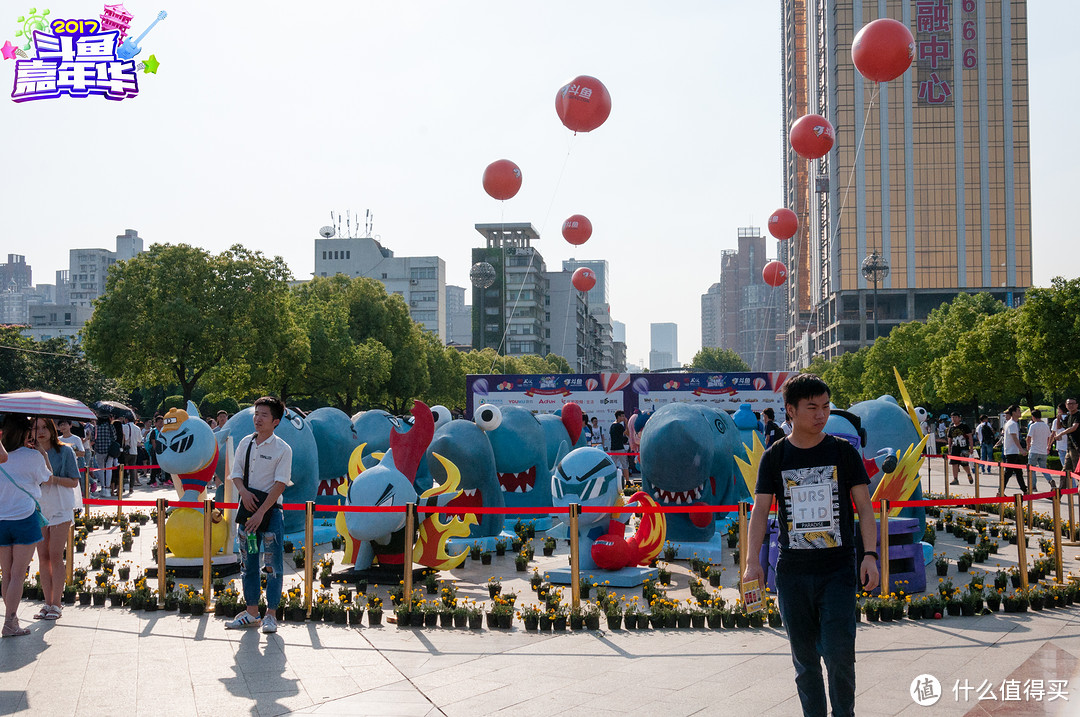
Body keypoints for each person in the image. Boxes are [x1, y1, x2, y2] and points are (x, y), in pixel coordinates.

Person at [743, 374, 879, 717]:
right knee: (804, 662)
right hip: (793, 574)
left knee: (839, 655)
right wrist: (752, 562)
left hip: (837, 571)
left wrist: (870, 556)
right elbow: (759, 511)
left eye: (826, 406)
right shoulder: (775, 457)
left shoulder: (843, 452)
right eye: (812, 407)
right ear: (790, 410)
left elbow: (864, 507)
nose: (822, 414)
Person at [225, 396, 293, 634]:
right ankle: (251, 612)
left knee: (273, 565)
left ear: (275, 421)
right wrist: (243, 492)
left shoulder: (283, 449)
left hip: (270, 514)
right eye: (256, 413)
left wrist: (261, 512)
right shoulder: (246, 443)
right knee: (249, 563)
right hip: (248, 513)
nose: (257, 418)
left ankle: (271, 615)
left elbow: (280, 484)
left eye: (264, 415)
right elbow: (236, 474)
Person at [0, 414, 51, 637]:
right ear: (26, 432)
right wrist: (42, 451)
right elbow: (47, 477)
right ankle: (10, 622)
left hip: (2, 519)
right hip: (25, 517)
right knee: (18, 574)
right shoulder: (32, 457)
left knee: (7, 575)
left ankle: (10, 618)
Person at [32, 417, 80, 621]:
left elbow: (74, 481)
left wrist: (54, 480)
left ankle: (57, 603)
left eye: (44, 427)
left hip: (61, 506)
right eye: (35, 428)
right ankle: (47, 602)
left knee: (54, 553)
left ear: (52, 429)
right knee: (42, 556)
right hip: (39, 507)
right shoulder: (29, 453)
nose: (40, 432)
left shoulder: (65, 451)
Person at [1051, 398, 1080, 490]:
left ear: (1077, 405)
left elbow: (1073, 428)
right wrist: (1058, 418)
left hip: (1077, 448)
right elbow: (1060, 426)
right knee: (1064, 472)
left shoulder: (1078, 415)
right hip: (1070, 447)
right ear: (1066, 406)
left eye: (1072, 403)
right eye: (1068, 404)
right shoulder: (1068, 417)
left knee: (1077, 473)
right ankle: (1058, 495)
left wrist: (1061, 434)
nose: (1070, 405)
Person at [999, 404, 1028, 494]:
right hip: (1011, 452)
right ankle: (1000, 492)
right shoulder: (1012, 424)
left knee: (1018, 472)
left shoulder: (1011, 423)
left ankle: (1024, 489)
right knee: (1008, 473)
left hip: (1012, 451)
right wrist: (1021, 449)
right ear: (1014, 413)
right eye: (1018, 411)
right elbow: (1014, 437)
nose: (1020, 413)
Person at [1025, 409, 1052, 490]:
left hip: (1034, 450)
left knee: (1032, 469)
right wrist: (1048, 446)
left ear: (1033, 417)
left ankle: (1033, 486)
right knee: (1044, 469)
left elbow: (1028, 438)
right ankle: (1050, 480)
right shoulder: (1046, 426)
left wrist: (1028, 446)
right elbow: (1049, 437)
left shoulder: (1033, 426)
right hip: (1043, 451)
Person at [93, 416, 119, 497]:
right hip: (109, 451)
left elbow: (93, 438)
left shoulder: (96, 427)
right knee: (108, 469)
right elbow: (115, 437)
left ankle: (103, 487)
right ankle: (107, 488)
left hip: (99, 450)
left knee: (100, 469)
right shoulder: (110, 427)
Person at [946, 412, 974, 485]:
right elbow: (949, 439)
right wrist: (949, 449)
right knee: (954, 463)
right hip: (955, 448)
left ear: (959, 418)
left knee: (964, 463)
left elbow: (970, 437)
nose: (954, 419)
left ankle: (968, 474)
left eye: (955, 417)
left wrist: (971, 447)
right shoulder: (951, 428)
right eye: (952, 417)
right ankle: (955, 479)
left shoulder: (964, 426)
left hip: (963, 448)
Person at [145, 415, 165, 487]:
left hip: (164, 451)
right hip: (155, 452)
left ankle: (165, 479)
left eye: (162, 421)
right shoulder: (153, 431)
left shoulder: (164, 431)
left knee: (163, 467)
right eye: (159, 422)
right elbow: (153, 442)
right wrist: (156, 451)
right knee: (154, 466)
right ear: (155, 423)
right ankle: (153, 480)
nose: (161, 423)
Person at [609, 411, 628, 480]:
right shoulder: (619, 426)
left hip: (613, 448)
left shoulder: (612, 425)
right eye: (622, 416)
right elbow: (627, 433)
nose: (623, 418)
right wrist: (627, 423)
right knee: (625, 465)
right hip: (620, 448)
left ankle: (612, 480)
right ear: (618, 416)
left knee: (612, 465)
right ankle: (628, 481)